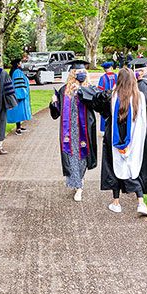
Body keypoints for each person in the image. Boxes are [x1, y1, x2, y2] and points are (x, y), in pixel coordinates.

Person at [94, 67, 147, 216]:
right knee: (133, 169)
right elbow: (144, 121)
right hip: (135, 140)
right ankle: (141, 202)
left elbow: (98, 105)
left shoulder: (112, 96)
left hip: (115, 138)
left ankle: (116, 202)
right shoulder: (140, 96)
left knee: (116, 168)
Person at [49, 60, 99, 202]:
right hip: (69, 130)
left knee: (82, 156)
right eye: (78, 72)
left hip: (85, 129)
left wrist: (82, 91)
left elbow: (96, 103)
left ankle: (79, 186)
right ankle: (77, 183)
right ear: (72, 73)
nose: (81, 74)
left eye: (83, 72)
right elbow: (56, 112)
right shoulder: (64, 90)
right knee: (71, 157)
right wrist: (53, 103)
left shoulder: (89, 88)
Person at [6, 58, 32, 135]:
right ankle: (18, 129)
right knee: (18, 111)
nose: (21, 64)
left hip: (18, 94)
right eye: (20, 63)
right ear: (18, 64)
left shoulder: (14, 71)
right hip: (19, 95)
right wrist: (21, 95)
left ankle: (19, 126)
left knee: (19, 111)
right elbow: (18, 84)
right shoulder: (17, 72)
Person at [97, 61, 118, 134]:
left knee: (104, 114)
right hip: (115, 98)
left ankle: (104, 130)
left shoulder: (102, 78)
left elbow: (99, 90)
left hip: (105, 99)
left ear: (104, 69)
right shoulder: (116, 76)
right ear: (111, 68)